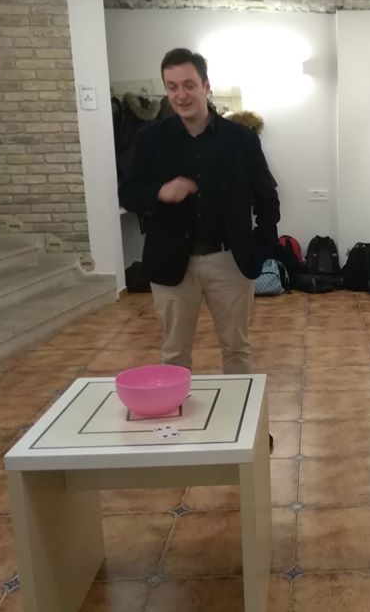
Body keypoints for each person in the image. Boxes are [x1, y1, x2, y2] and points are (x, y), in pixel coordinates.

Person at [119, 47, 280, 374]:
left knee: (237, 349)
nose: (181, 95)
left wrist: (262, 247)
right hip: (170, 262)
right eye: (172, 87)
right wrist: (159, 192)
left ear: (206, 86)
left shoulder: (242, 140)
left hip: (230, 261)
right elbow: (128, 193)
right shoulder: (150, 139)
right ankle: (177, 410)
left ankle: (238, 408)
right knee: (174, 355)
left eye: (189, 85)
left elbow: (267, 198)